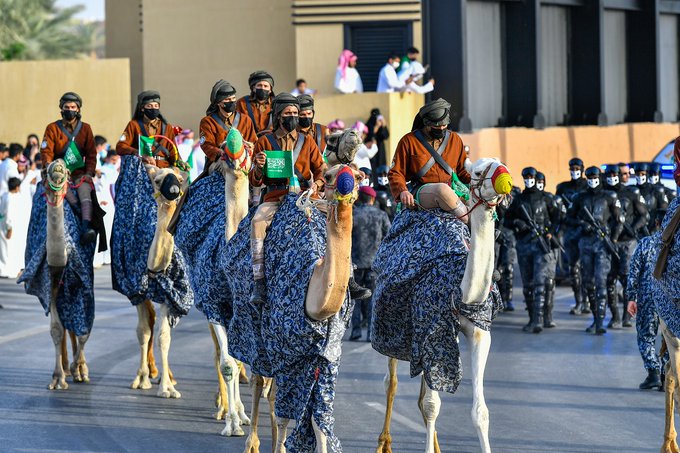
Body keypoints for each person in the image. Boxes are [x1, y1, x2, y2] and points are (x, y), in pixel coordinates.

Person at [247, 93, 326, 304]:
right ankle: (259, 281)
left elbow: (321, 170)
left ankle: (348, 274)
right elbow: (255, 181)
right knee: (257, 222)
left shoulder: (307, 141)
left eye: (295, 113)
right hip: (275, 197)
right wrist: (259, 166)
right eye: (288, 113)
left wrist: (317, 185)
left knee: (334, 218)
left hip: (302, 197)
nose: (293, 117)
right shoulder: (264, 141)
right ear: (278, 116)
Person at [388, 98, 470, 218]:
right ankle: (469, 222)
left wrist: (477, 183)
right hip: (422, 191)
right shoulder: (408, 141)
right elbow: (395, 172)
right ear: (426, 123)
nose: (442, 129)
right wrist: (403, 191)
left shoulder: (455, 139)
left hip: (453, 190)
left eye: (444, 125)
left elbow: (462, 171)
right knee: (442, 190)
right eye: (437, 126)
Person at [566, 166, 623, 335]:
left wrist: (613, 238)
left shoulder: (610, 196)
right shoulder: (579, 198)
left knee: (600, 282)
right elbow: (569, 218)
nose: (592, 179)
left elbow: (619, 220)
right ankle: (595, 317)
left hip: (602, 244)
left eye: (595, 176)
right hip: (585, 243)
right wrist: (582, 224)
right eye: (589, 177)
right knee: (589, 283)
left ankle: (600, 322)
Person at [504, 168, 560, 332]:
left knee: (540, 283)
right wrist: (517, 223)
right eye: (526, 177)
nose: (529, 179)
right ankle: (531, 319)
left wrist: (550, 232)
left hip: (541, 246)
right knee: (528, 285)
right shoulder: (519, 200)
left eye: (531, 177)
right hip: (524, 246)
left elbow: (557, 218)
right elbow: (507, 220)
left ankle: (538, 320)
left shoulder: (546, 198)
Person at [40, 92, 98, 244]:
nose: (70, 109)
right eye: (67, 107)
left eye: (73, 107)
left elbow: (92, 154)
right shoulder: (52, 128)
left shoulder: (86, 129)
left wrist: (89, 173)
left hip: (80, 174)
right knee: (58, 193)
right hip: (58, 174)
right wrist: (50, 169)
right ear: (61, 109)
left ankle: (86, 227)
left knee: (86, 192)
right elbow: (46, 152)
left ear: (78, 109)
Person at [602, 164, 648, 329]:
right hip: (607, 241)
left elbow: (644, 215)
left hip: (627, 241)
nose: (625, 176)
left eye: (627, 173)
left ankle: (627, 316)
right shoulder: (603, 193)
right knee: (609, 279)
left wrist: (632, 228)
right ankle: (614, 316)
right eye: (621, 173)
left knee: (627, 278)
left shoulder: (632, 193)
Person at [627, 214, 665, 390]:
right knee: (669, 338)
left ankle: (653, 373)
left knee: (646, 336)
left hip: (647, 297)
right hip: (670, 299)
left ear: (657, 223)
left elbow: (633, 272)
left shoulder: (646, 243)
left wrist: (631, 297)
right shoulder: (676, 245)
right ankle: (666, 373)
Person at [349, 185, 391, 341]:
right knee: (372, 297)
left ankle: (356, 331)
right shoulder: (381, 215)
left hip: (355, 263)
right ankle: (371, 333)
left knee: (356, 297)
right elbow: (389, 237)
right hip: (374, 263)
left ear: (360, 198)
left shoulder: (353, 214)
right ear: (373, 198)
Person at [556, 158, 589, 315]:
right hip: (570, 231)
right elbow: (557, 208)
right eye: (572, 168)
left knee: (587, 269)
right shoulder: (563, 188)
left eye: (577, 168)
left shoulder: (588, 186)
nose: (574, 170)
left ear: (582, 169)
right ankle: (578, 302)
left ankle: (588, 301)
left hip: (585, 231)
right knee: (573, 269)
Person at [200, 79, 258, 170]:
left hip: (244, 161)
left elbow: (253, 142)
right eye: (227, 99)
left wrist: (249, 148)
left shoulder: (245, 120)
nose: (232, 101)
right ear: (219, 103)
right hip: (219, 162)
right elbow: (206, 145)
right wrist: (221, 153)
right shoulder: (207, 122)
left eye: (233, 98)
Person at [116, 90, 181, 169]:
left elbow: (172, 151)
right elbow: (120, 146)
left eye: (156, 106)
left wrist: (179, 162)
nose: (153, 108)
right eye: (149, 106)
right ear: (142, 108)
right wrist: (138, 152)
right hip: (142, 168)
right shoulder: (134, 125)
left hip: (164, 167)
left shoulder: (167, 127)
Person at [495, 184, 521, 311]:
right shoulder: (493, 192)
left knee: (508, 267)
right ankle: (497, 298)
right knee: (495, 269)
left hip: (509, 234)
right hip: (494, 234)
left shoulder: (515, 194)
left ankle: (508, 299)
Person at [236, 70, 275, 136]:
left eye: (266, 86)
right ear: (253, 88)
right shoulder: (242, 103)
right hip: (249, 142)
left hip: (271, 142)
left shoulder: (277, 103)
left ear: (270, 89)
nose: (262, 88)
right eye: (259, 85)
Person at [635, 162, 668, 235]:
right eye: (638, 174)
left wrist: (657, 230)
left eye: (642, 174)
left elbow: (664, 214)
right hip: (636, 232)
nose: (640, 176)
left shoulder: (656, 190)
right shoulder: (632, 191)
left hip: (654, 232)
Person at [0, 177, 21, 278]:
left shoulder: (5, 195)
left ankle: (4, 270)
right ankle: (9, 271)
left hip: (2, 223)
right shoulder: (10, 198)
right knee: (9, 248)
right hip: (7, 225)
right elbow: (8, 214)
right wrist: (10, 228)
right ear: (17, 187)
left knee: (4, 248)